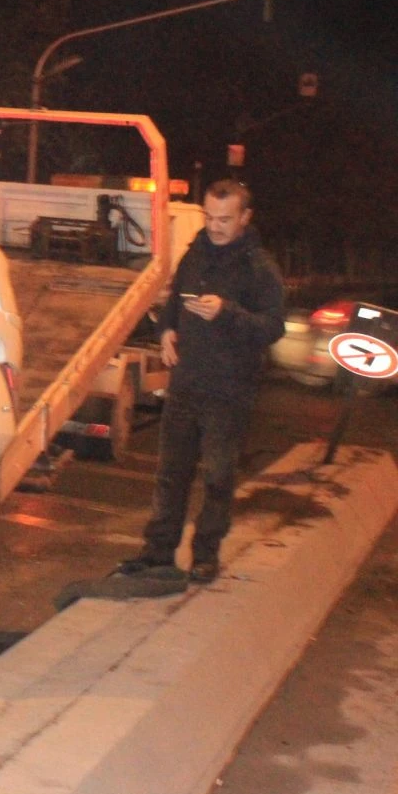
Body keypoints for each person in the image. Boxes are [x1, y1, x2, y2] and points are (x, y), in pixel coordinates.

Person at [119, 179, 285, 583]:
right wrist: (166, 333)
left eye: (224, 220)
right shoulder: (195, 254)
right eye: (210, 217)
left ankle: (206, 555)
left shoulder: (259, 267)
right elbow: (175, 303)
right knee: (170, 474)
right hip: (186, 385)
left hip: (229, 391)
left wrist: (227, 312)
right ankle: (158, 552)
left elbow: (273, 327)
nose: (214, 226)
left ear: (245, 218)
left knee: (216, 476)